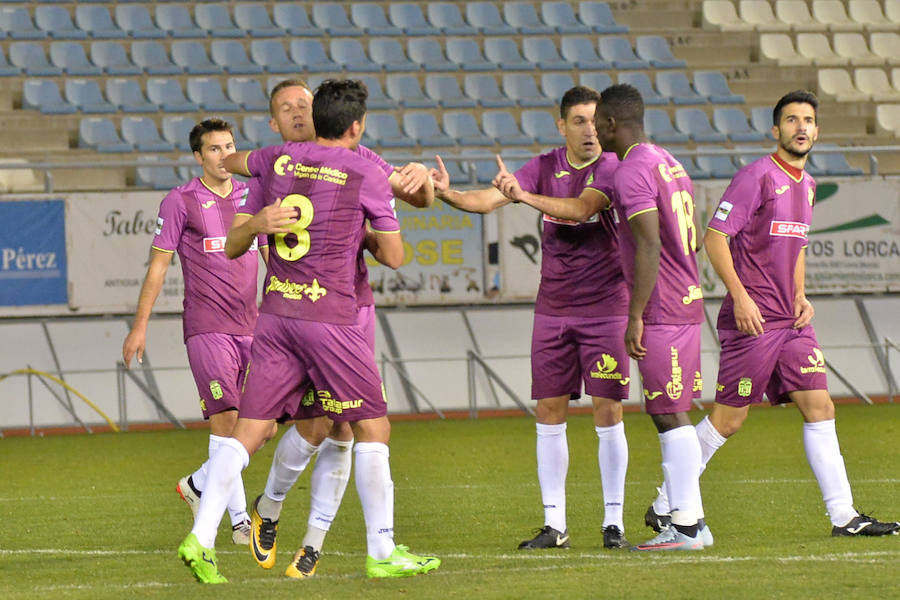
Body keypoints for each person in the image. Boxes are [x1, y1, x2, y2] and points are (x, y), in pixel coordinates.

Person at [176, 79, 440, 583]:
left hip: (275, 316)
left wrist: (228, 172)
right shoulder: (364, 169)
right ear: (357, 125)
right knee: (370, 427)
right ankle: (381, 549)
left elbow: (237, 165)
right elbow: (395, 256)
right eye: (286, 107)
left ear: (316, 116)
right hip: (332, 317)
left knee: (251, 432)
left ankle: (202, 536)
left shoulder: (275, 160)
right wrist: (364, 229)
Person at [644, 90, 900, 538]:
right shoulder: (756, 177)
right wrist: (740, 298)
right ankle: (666, 502)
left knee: (819, 406)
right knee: (730, 419)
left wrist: (801, 294)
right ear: (775, 129)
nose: (800, 127)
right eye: (791, 120)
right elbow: (715, 238)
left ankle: (845, 517)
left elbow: (796, 246)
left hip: (792, 320)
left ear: (817, 131)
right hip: (754, 320)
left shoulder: (809, 185)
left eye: (808, 120)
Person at [431, 86, 632, 550]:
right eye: (578, 121)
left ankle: (613, 522)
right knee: (548, 411)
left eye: (595, 121)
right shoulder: (543, 166)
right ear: (561, 125)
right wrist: (447, 194)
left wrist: (524, 197)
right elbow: (486, 201)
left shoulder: (612, 168)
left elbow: (581, 209)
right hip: (554, 310)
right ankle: (555, 525)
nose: (589, 130)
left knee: (608, 411)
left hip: (606, 308)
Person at [122, 118, 264, 546]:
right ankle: (239, 520)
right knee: (229, 421)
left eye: (229, 147)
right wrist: (139, 326)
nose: (224, 156)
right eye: (215, 149)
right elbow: (158, 267)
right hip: (207, 327)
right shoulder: (180, 201)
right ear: (199, 156)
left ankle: (200, 485)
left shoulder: (252, 195)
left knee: (262, 426)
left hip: (253, 327)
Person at [594, 83, 710, 551]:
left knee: (667, 412)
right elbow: (694, 237)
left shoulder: (631, 171)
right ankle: (694, 523)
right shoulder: (669, 162)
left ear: (609, 124)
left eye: (599, 124)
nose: (596, 132)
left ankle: (683, 528)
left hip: (662, 307)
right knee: (670, 409)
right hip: (687, 299)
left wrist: (635, 314)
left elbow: (648, 244)